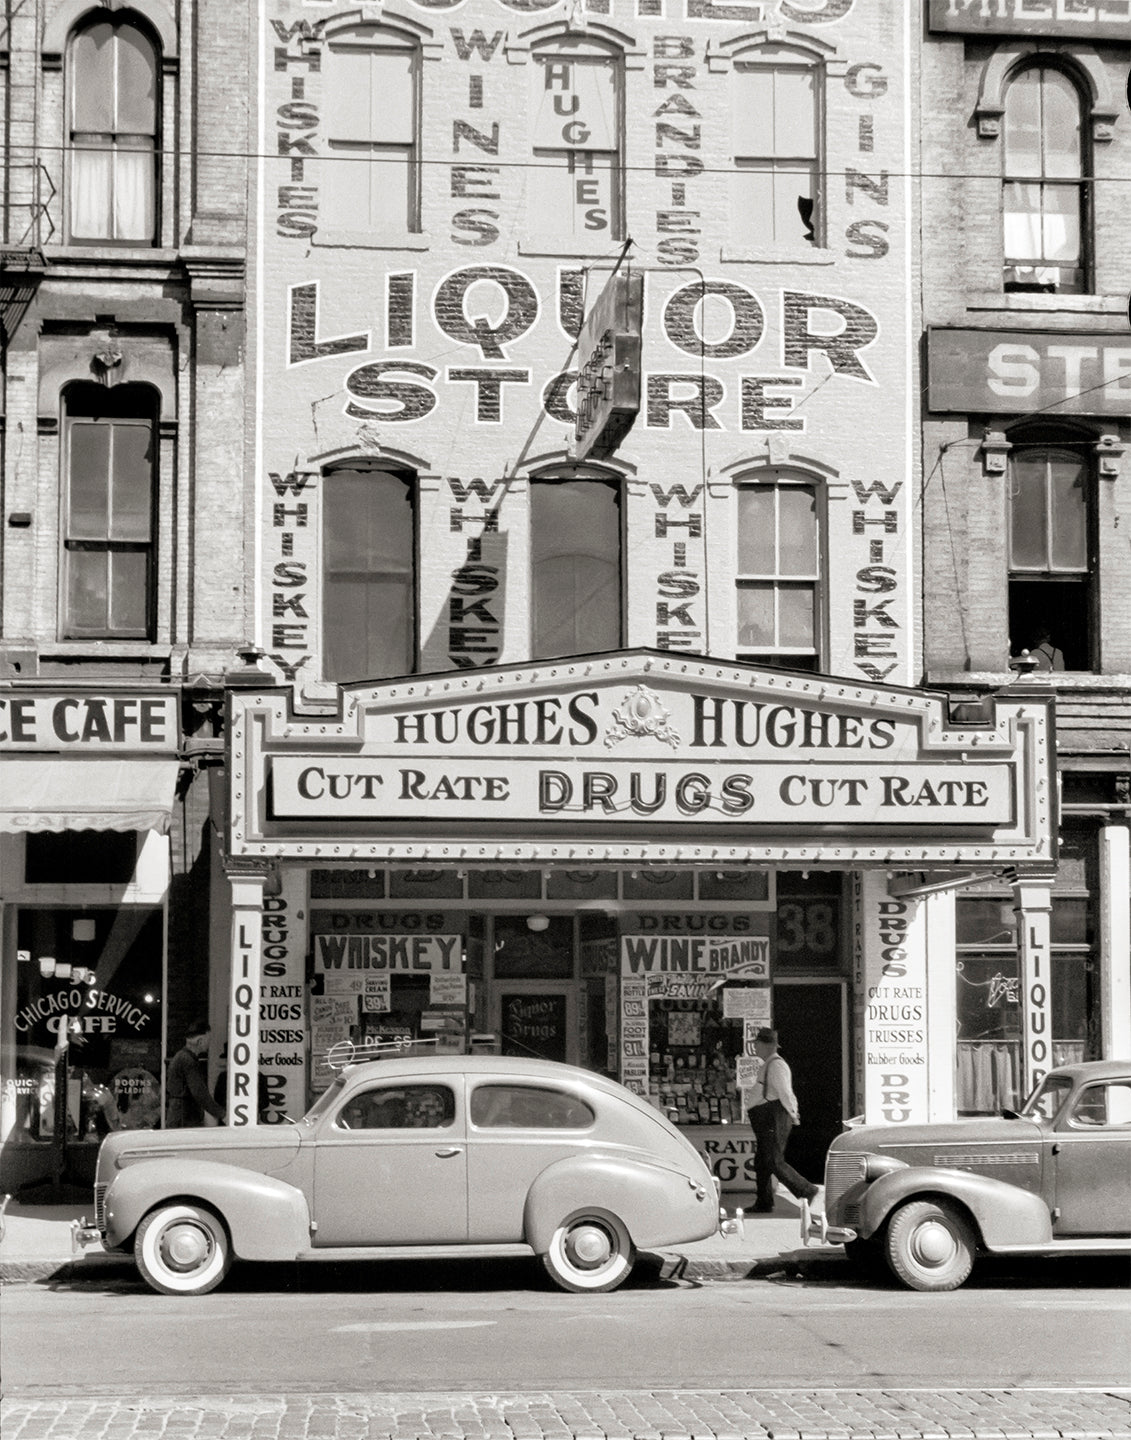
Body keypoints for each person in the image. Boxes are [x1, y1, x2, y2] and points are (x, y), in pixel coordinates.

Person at [746, 1027, 822, 1214]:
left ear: (766, 1045)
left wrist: (793, 1113)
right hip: (768, 1116)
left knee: (773, 1160)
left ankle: (807, 1190)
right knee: (762, 1161)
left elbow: (785, 1094)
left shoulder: (777, 1065)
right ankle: (764, 1202)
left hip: (773, 1117)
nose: (755, 1048)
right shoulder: (769, 1064)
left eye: (757, 1044)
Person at [166, 1018, 225, 1128]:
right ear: (200, 1041)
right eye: (208, 1039)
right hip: (184, 1118)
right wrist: (222, 1114)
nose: (209, 1043)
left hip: (180, 1115)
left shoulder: (182, 1057)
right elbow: (199, 1092)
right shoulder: (188, 1060)